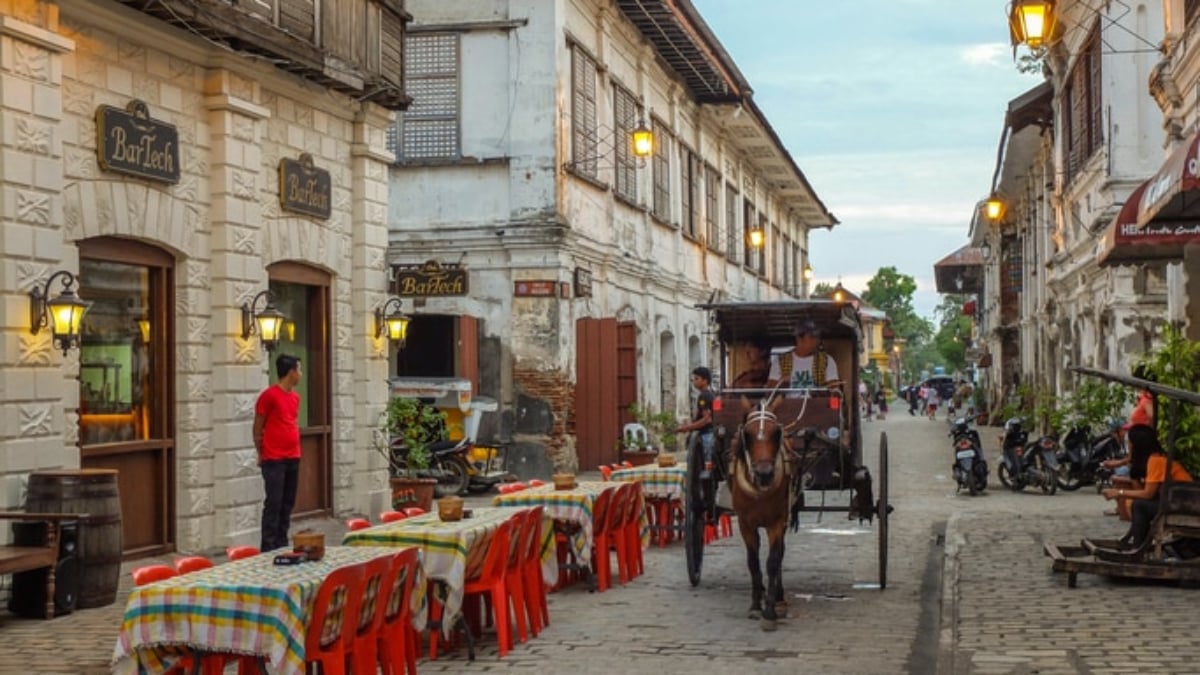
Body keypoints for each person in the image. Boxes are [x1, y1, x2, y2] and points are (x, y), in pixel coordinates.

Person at [1102, 424, 1193, 549]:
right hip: (1178, 502)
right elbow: (1142, 491)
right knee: (1139, 504)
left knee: (1139, 506)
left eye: (1130, 443)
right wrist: (1131, 468)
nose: (1129, 446)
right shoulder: (1153, 459)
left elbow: (1147, 494)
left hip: (1185, 505)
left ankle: (1139, 547)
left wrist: (1119, 492)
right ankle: (1139, 545)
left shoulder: (1156, 461)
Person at [254, 353, 303, 552]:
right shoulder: (269, 396)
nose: (300, 374)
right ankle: (268, 546)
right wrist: (261, 452)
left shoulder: (295, 397)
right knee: (274, 502)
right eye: (299, 370)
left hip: (293, 456)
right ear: (290, 372)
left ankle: (282, 543)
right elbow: (258, 427)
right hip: (274, 458)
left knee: (287, 502)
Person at [766, 320, 839, 391]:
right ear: (799, 338)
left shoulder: (826, 360)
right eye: (812, 337)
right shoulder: (780, 360)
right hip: (787, 403)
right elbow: (770, 391)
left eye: (818, 337)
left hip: (817, 403)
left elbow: (835, 390)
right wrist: (782, 383)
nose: (817, 341)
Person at [677, 366, 716, 479]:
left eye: (697, 378)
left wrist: (688, 427)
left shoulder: (704, 396)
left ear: (705, 380)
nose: (694, 381)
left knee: (705, 466)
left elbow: (707, 419)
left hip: (706, 435)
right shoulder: (710, 394)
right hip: (707, 433)